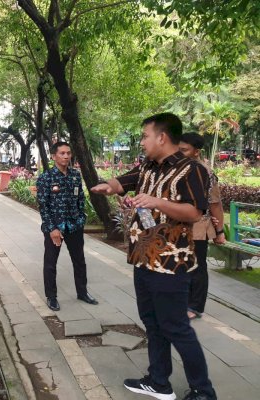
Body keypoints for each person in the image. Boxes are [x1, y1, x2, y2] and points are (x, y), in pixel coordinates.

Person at [91, 113, 216, 400]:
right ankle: (159, 382)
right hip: (144, 258)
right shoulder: (148, 167)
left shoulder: (191, 170)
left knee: (176, 327)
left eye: (145, 135)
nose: (142, 141)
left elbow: (195, 211)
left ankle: (204, 390)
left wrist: (158, 201)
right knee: (152, 321)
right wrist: (109, 187)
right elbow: (122, 182)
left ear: (162, 137)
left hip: (172, 263)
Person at [36, 141, 98, 311]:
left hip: (74, 226)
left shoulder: (75, 175)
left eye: (68, 153)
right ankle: (51, 297)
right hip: (54, 228)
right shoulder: (46, 178)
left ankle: (82, 292)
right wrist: (52, 229)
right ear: (54, 156)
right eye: (62, 153)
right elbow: (43, 205)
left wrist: (81, 219)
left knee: (79, 261)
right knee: (50, 263)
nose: (66, 156)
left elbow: (80, 200)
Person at [179, 133, 226, 320]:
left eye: (184, 150)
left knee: (197, 266)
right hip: (178, 225)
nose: (180, 153)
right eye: (178, 149)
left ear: (196, 152)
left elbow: (215, 203)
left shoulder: (205, 172)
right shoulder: (180, 169)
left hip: (199, 226)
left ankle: (196, 306)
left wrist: (220, 231)